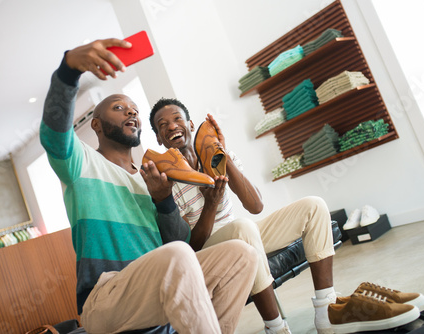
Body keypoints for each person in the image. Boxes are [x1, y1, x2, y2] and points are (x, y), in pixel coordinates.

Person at [39, 38, 259, 334]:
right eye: (120, 108)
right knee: (177, 258)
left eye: (134, 110)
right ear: (97, 125)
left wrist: (164, 199)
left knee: (241, 254)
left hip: (156, 288)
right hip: (106, 297)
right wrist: (68, 71)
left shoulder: (153, 176)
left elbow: (179, 242)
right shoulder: (81, 163)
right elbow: (54, 133)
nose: (132, 113)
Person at [149, 98, 337, 334]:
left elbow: (255, 206)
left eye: (177, 118)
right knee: (243, 228)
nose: (172, 126)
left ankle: (326, 309)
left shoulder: (215, 154)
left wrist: (221, 154)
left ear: (190, 124)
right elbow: (192, 246)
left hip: (245, 232)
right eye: (162, 124)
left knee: (314, 206)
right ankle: (276, 328)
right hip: (213, 249)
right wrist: (210, 204)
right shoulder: (170, 183)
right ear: (158, 137)